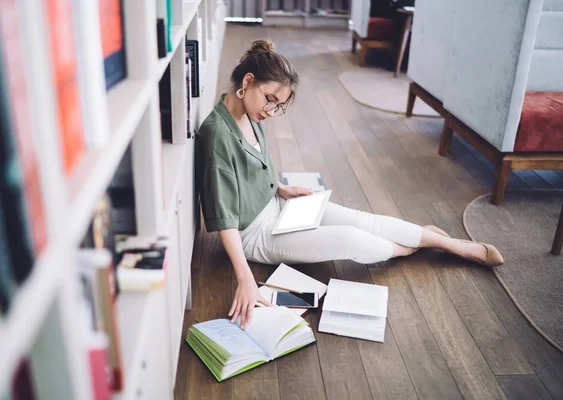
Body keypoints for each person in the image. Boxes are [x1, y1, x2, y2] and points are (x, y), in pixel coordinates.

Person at [195, 39, 503, 329]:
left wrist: (278, 187)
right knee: (351, 239)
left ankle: (447, 243)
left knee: (360, 220)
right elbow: (226, 221)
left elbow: (250, 165)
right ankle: (410, 247)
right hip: (255, 234)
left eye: (279, 105)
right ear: (247, 82)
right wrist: (245, 279)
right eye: (270, 100)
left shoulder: (251, 113)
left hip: (276, 205)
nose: (271, 111)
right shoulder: (215, 135)